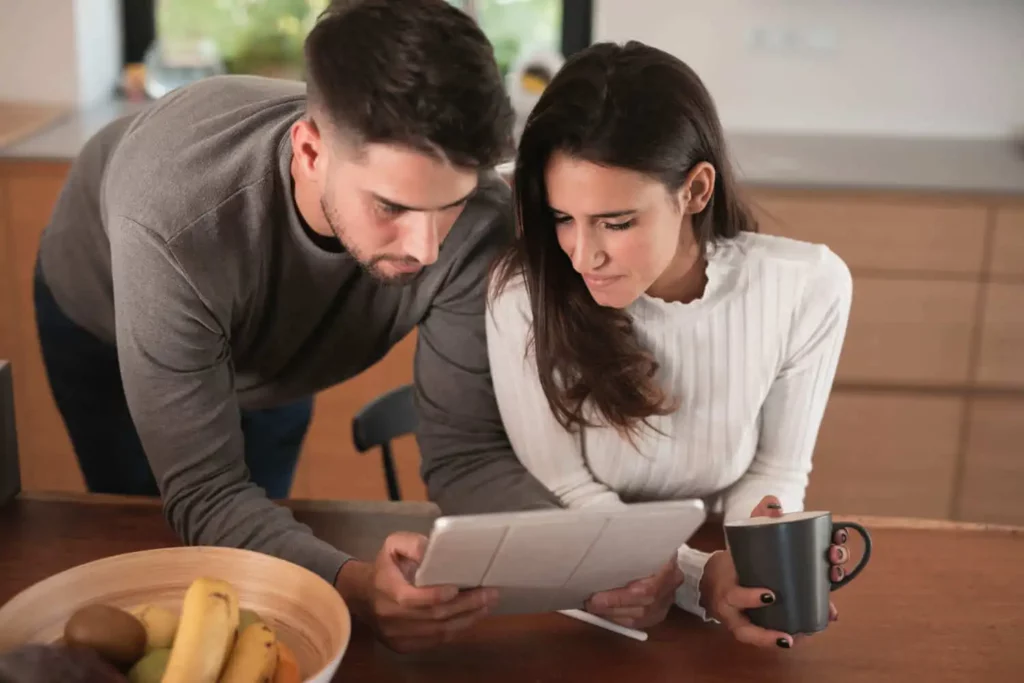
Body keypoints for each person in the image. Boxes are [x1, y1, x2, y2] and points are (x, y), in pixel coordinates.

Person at [33, 0, 558, 653]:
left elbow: (464, 456)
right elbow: (206, 491)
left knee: (266, 551)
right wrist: (357, 584)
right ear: (310, 152)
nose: (425, 249)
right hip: (103, 310)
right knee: (144, 541)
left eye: (446, 206)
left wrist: (594, 557)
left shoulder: (478, 221)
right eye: (391, 206)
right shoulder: (176, 217)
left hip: (277, 330)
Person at [474, 41, 855, 649]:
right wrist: (698, 579)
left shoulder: (807, 287)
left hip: (699, 561)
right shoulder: (524, 294)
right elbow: (567, 490)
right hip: (585, 583)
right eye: (562, 218)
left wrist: (763, 563)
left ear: (695, 191)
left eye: (616, 222)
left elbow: (774, 469)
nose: (582, 254)